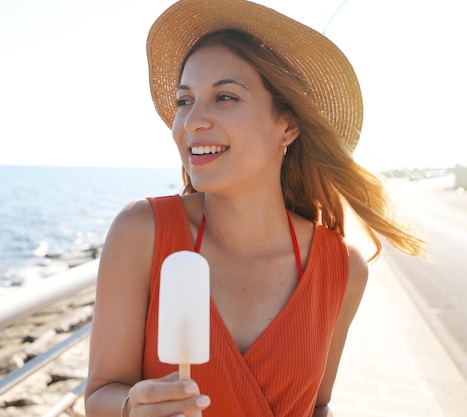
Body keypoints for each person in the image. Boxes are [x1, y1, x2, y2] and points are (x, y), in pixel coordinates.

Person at [84, 1, 424, 416]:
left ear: (287, 124)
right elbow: (101, 393)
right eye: (184, 100)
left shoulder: (343, 268)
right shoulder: (142, 232)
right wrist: (129, 408)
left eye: (224, 97)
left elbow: (317, 405)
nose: (192, 121)